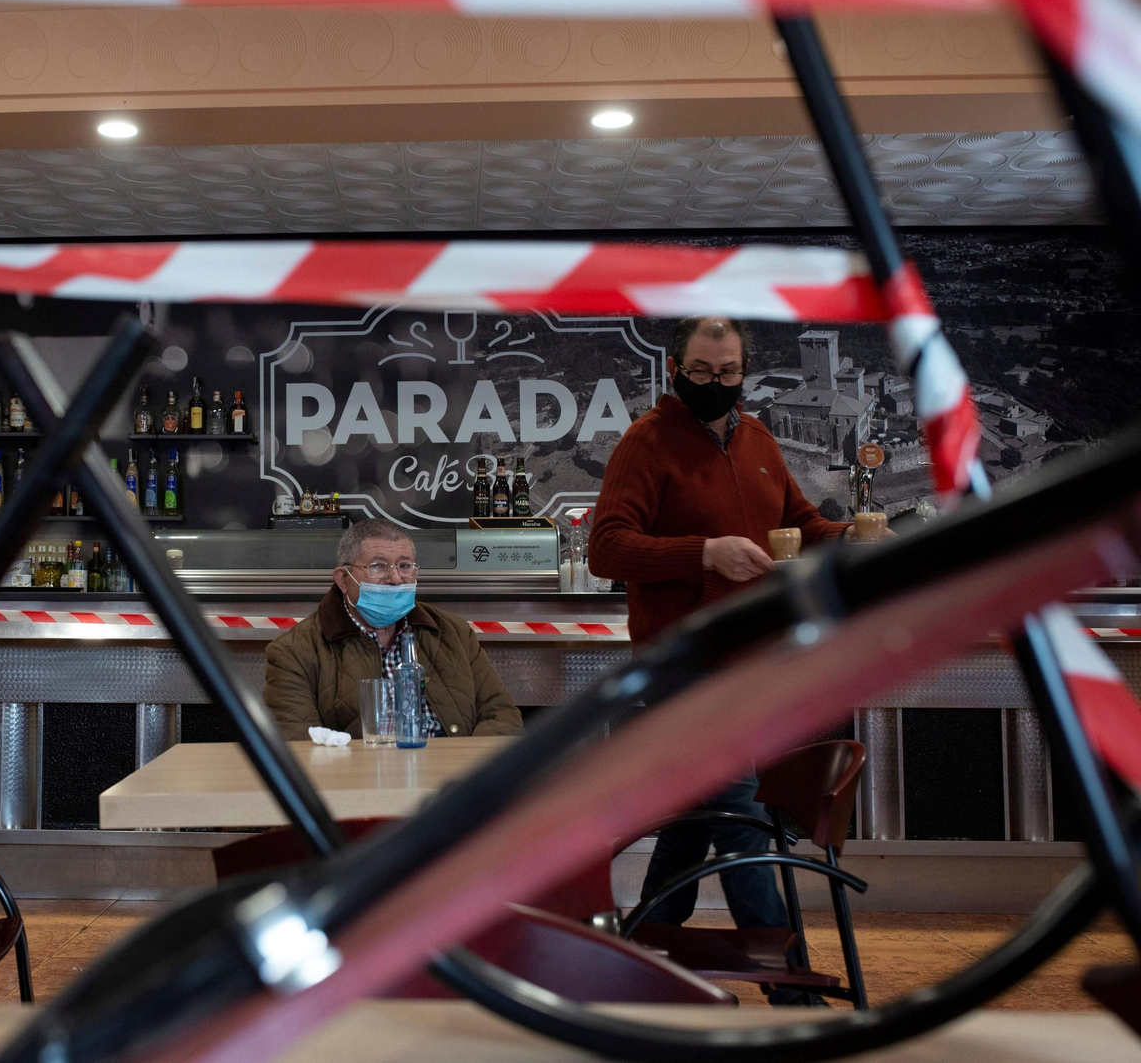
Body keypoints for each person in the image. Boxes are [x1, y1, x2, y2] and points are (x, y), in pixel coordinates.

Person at [587, 315, 890, 1006]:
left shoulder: (756, 438)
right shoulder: (646, 442)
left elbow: (801, 525)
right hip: (682, 671)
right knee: (740, 819)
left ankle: (635, 963)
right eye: (702, 372)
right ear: (674, 369)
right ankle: (795, 999)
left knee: (694, 821)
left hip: (751, 669)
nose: (716, 385)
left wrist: (853, 536)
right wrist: (702, 551)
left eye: (727, 373)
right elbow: (608, 547)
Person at [264, 519, 524, 741]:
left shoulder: (453, 632)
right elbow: (298, 744)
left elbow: (502, 717)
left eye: (405, 565)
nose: (396, 578)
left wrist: (465, 773)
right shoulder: (294, 651)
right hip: (357, 791)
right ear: (344, 579)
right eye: (378, 566)